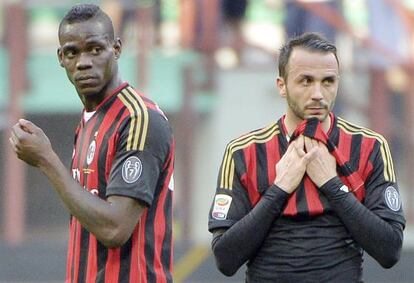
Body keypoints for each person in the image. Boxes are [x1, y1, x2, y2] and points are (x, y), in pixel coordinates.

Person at [208, 33, 405, 282]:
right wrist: (279, 189)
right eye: (306, 81)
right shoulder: (243, 151)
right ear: (282, 85)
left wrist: (333, 186)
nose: (318, 94)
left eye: (328, 81)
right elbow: (225, 259)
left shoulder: (370, 146)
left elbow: (390, 250)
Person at [9, 4, 174, 283]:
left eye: (95, 49)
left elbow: (115, 229)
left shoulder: (139, 119)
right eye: (73, 52)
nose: (84, 62)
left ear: (117, 49)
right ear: (61, 58)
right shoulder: (90, 120)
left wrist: (46, 159)